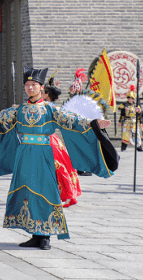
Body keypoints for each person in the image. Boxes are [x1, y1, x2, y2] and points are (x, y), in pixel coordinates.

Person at [0, 67, 115, 250]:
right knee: (27, 192)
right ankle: (34, 234)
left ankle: (45, 237)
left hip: (43, 154)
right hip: (24, 154)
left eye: (33, 85)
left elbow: (72, 120)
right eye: (27, 85)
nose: (30, 88)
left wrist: (95, 124)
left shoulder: (50, 109)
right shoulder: (18, 110)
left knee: (45, 191)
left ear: (42, 87)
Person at [43, 79, 81, 207]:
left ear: (47, 95)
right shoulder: (42, 105)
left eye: (43, 91)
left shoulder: (49, 107)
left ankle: (69, 194)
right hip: (47, 140)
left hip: (48, 140)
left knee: (58, 167)